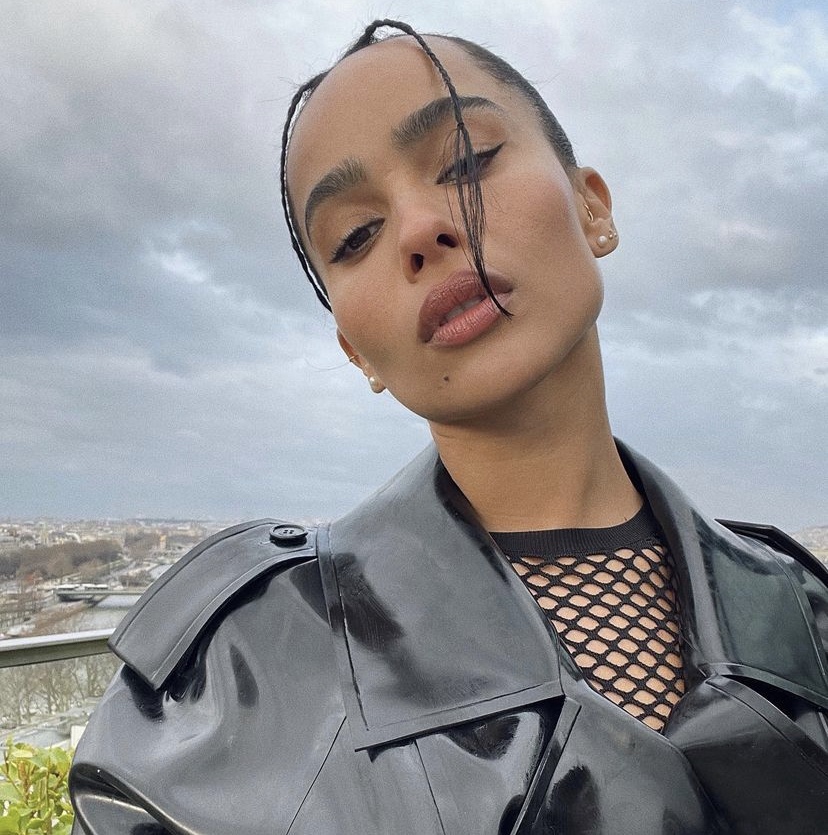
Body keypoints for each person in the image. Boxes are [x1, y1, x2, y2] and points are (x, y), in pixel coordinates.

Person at [69, 20, 828, 835]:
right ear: (355, 349)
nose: (419, 229)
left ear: (592, 207)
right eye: (355, 235)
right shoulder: (230, 685)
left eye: (467, 160)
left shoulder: (802, 610)